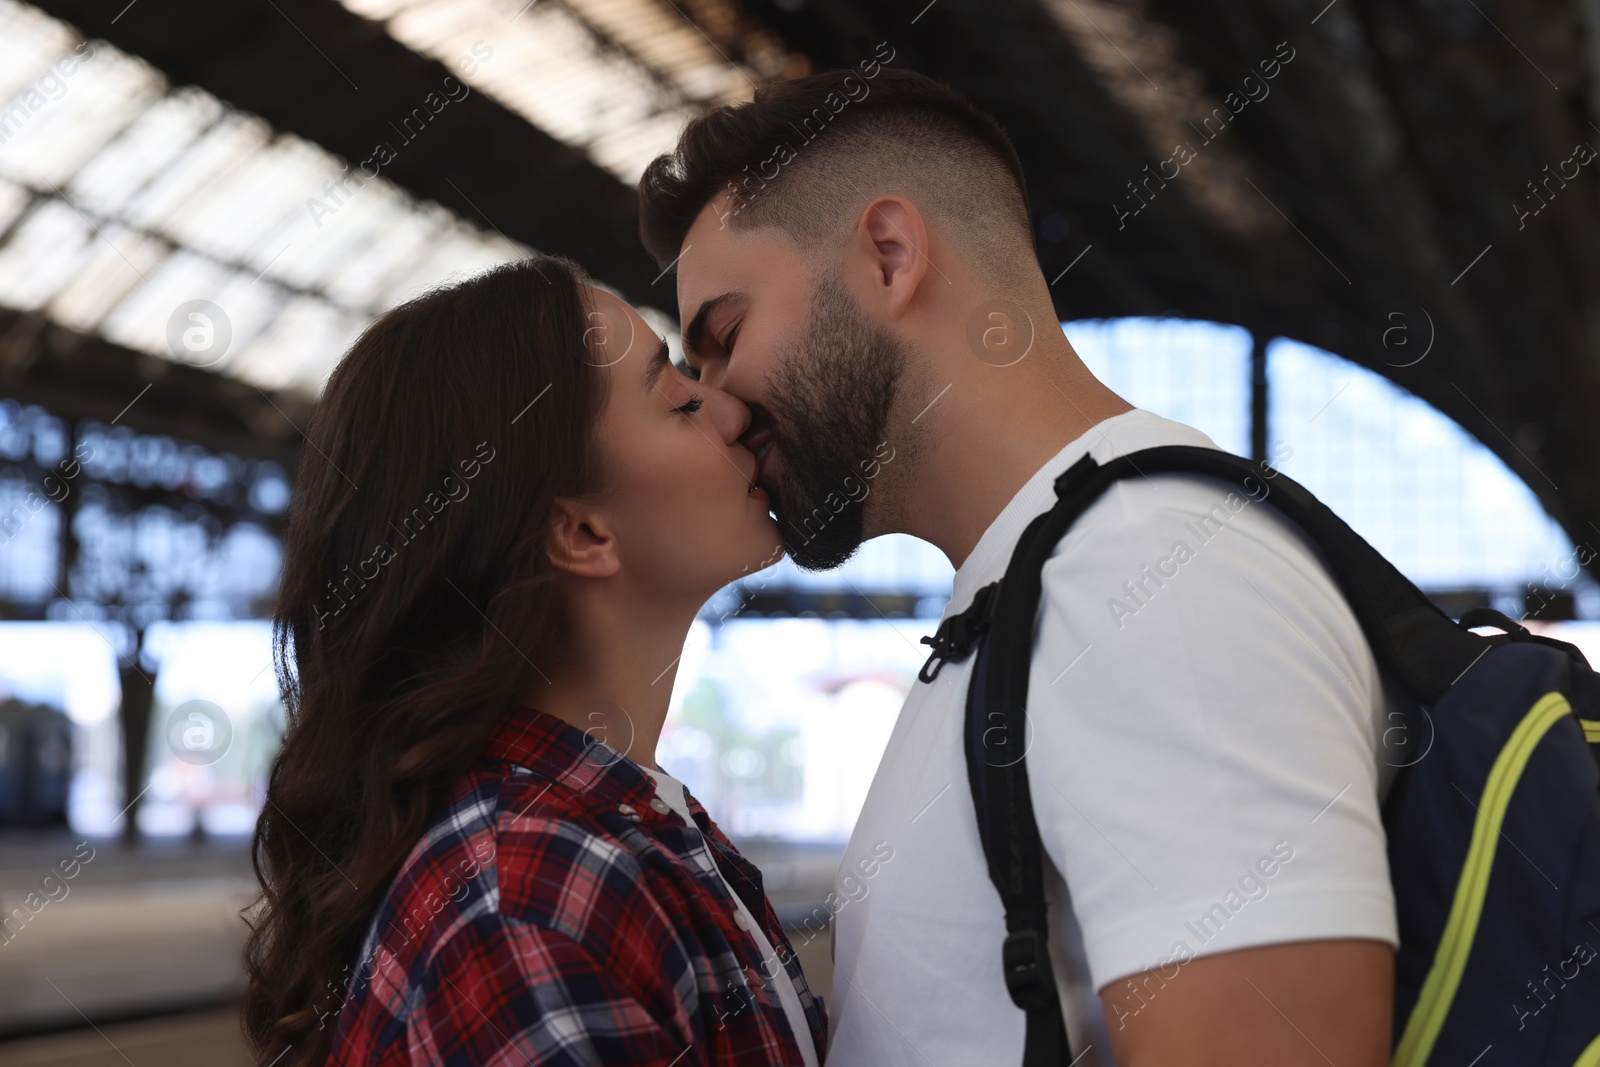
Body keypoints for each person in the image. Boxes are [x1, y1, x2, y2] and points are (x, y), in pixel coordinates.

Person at [639, 67, 1403, 1066]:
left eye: (724, 339)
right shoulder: (1037, 586)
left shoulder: (1144, 573)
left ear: (887, 254)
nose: (719, 406)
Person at [243, 256, 827, 1067]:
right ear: (583, 533)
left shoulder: (614, 832)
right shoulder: (521, 906)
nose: (729, 409)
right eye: (678, 398)